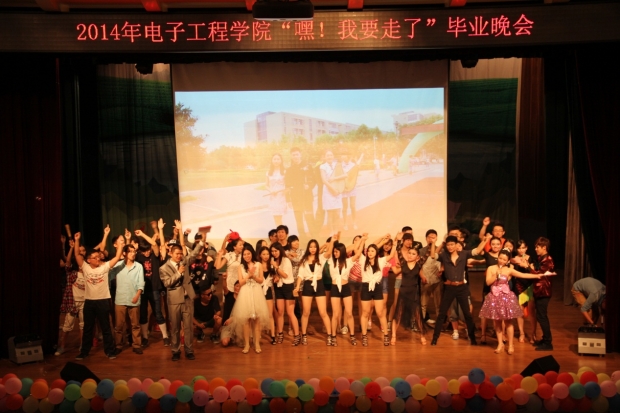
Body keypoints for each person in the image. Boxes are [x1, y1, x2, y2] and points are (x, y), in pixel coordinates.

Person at [430, 234, 489, 346]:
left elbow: (477, 251)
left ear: (456, 245)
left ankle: (472, 339)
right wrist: (433, 243)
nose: (450, 247)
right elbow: (433, 255)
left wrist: (485, 241)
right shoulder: (444, 256)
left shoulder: (464, 254)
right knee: (442, 313)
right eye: (448, 245)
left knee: (467, 314)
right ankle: (434, 339)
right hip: (449, 288)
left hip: (461, 288)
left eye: (452, 244)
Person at [479, 249, 541, 355]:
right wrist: (495, 275)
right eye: (500, 258)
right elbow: (488, 282)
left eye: (504, 259)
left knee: (508, 322)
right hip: (494, 297)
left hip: (505, 298)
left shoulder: (509, 270)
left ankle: (511, 345)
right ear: (497, 257)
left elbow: (523, 275)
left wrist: (537, 276)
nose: (501, 261)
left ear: (508, 261)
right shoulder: (491, 268)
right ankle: (500, 344)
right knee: (497, 322)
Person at [73, 231, 124, 360]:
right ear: (88, 260)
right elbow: (77, 254)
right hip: (89, 301)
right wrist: (77, 240)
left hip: (103, 301)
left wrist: (120, 245)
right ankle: (84, 352)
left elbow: (117, 257)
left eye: (98, 257)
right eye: (95, 257)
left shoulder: (104, 267)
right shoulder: (85, 267)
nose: (98, 259)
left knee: (106, 327)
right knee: (88, 328)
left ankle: (110, 351)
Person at [159, 221, 205, 361]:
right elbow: (167, 283)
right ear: (170, 254)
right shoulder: (163, 268)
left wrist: (201, 242)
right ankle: (175, 351)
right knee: (175, 328)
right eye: (177, 254)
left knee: (188, 327)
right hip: (174, 300)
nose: (179, 256)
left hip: (187, 299)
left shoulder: (184, 262)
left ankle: (189, 350)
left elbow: (194, 254)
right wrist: (178, 273)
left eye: (180, 253)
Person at [357, 233, 398, 347]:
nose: (370, 253)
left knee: (380, 312)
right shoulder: (363, 260)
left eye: (372, 251)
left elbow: (392, 255)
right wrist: (363, 240)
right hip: (366, 287)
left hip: (377, 287)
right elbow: (358, 252)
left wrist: (395, 244)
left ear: (376, 252)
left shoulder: (381, 261)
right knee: (365, 312)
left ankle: (386, 335)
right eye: (369, 251)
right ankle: (364, 335)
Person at [135, 219, 170, 347]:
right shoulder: (138, 257)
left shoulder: (154, 255)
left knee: (158, 312)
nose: (147, 253)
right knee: (143, 314)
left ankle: (165, 336)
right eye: (144, 251)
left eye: (148, 250)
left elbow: (155, 244)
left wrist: (142, 234)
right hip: (142, 289)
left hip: (155, 288)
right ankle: (145, 337)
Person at [296, 237, 336, 345]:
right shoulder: (304, 260)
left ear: (317, 248)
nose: (313, 249)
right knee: (306, 312)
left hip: (319, 284)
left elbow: (329, 252)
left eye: (314, 247)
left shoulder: (321, 257)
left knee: (323, 312)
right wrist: (297, 287)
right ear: (308, 248)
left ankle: (330, 336)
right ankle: (304, 335)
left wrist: (332, 242)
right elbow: (300, 275)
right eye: (311, 247)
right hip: (307, 285)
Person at [109, 244, 145, 355]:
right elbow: (109, 276)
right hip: (120, 299)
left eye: (134, 251)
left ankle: (137, 345)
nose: (133, 254)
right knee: (119, 325)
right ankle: (118, 345)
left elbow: (141, 283)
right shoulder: (118, 265)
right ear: (124, 253)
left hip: (134, 298)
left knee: (135, 325)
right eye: (130, 251)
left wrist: (137, 295)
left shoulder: (138, 266)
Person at [233, 246, 270, 354]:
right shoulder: (240, 267)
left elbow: (261, 280)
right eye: (244, 254)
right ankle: (247, 344)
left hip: (256, 292)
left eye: (248, 253)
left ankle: (256, 343)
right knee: (246, 320)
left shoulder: (258, 264)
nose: (246, 256)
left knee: (257, 319)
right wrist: (248, 275)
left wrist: (253, 276)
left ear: (252, 254)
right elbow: (240, 282)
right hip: (245, 293)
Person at [329, 238, 364, 346]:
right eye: (334, 251)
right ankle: (333, 336)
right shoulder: (331, 261)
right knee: (335, 314)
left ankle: (352, 336)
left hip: (345, 287)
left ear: (342, 252)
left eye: (337, 251)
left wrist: (362, 240)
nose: (335, 253)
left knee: (349, 313)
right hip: (335, 287)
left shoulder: (348, 261)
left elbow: (358, 254)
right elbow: (329, 250)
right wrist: (333, 241)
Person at [391, 247, 427, 346]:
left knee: (417, 314)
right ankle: (393, 335)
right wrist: (397, 242)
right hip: (403, 291)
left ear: (417, 257)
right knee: (398, 314)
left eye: (413, 254)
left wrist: (432, 243)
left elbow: (428, 254)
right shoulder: (403, 263)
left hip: (414, 292)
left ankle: (422, 336)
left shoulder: (419, 265)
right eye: (409, 253)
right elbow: (398, 251)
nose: (410, 255)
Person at [56, 239, 86, 356]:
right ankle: (62, 346)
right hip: (73, 302)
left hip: (84, 302)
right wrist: (72, 247)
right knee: (67, 326)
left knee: (83, 325)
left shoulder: (88, 272)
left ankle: (82, 346)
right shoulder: (72, 273)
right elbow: (67, 262)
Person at [529, 237, 557, 351]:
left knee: (542, 316)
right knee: (540, 316)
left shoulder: (548, 260)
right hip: (539, 291)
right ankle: (545, 339)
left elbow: (538, 274)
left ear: (544, 247)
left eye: (537, 247)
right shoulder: (541, 258)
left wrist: (528, 267)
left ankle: (548, 343)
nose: (535, 249)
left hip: (543, 292)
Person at [271, 242, 299, 345]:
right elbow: (275, 275)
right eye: (272, 251)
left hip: (288, 287)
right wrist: (275, 277)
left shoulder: (286, 260)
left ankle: (297, 335)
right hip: (279, 287)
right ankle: (280, 334)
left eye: (276, 251)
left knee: (290, 312)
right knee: (280, 312)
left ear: (280, 250)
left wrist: (276, 267)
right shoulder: (273, 260)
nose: (274, 253)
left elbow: (285, 275)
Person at [285, 147, 316, 236]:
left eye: (297, 154)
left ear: (300, 155)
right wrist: (288, 200)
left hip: (307, 197)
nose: (295, 156)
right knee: (299, 220)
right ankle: (302, 238)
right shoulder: (289, 170)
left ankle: (314, 237)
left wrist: (309, 186)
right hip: (296, 199)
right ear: (291, 156)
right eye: (293, 155)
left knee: (310, 218)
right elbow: (287, 186)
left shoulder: (308, 167)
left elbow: (314, 180)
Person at [320, 150, 346, 236]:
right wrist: (333, 190)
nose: (329, 157)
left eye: (331, 155)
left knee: (337, 213)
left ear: (333, 156)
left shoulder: (337, 165)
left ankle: (336, 230)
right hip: (328, 191)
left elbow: (345, 175)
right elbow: (324, 180)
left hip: (338, 191)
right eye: (327, 155)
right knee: (330, 214)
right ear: (325, 157)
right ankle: (331, 232)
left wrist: (335, 179)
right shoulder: (323, 166)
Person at [419, 230, 442, 325]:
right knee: (423, 304)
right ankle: (421, 322)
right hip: (425, 279)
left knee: (438, 303)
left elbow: (444, 263)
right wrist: (422, 276)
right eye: (429, 237)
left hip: (437, 280)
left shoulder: (441, 250)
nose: (431, 239)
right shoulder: (421, 251)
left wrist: (442, 270)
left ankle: (440, 323)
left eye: (433, 237)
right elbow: (418, 265)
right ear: (426, 238)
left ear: (436, 238)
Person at [256, 246, 276, 344]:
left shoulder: (272, 265)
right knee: (259, 315)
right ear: (260, 255)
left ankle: (273, 336)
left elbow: (276, 277)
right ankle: (258, 335)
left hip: (268, 291)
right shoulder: (257, 265)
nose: (266, 256)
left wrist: (276, 277)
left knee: (270, 315)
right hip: (258, 290)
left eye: (267, 254)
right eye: (263, 254)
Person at [340, 152, 362, 231]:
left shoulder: (353, 165)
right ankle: (345, 223)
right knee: (345, 207)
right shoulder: (340, 166)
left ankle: (354, 222)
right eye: (342, 155)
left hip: (352, 187)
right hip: (344, 188)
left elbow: (355, 175)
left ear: (348, 156)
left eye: (344, 155)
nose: (343, 157)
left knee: (352, 206)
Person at [266, 153, 287, 226]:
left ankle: (281, 232)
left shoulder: (284, 172)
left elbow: (287, 185)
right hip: (273, 198)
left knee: (279, 218)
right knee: (275, 218)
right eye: (274, 159)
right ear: (272, 160)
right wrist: (270, 191)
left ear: (281, 160)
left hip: (281, 197)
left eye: (278, 159)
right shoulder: (268, 173)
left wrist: (284, 190)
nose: (276, 161)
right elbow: (266, 185)